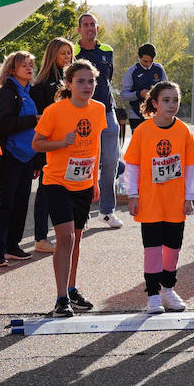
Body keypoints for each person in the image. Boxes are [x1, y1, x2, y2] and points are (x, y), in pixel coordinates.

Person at [32, 59, 106, 318]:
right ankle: (61, 298)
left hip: (84, 183)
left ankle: (72, 289)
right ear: (68, 84)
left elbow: (95, 145)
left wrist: (95, 180)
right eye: (81, 81)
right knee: (66, 238)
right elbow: (37, 144)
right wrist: (62, 143)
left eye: (91, 81)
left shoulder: (98, 109)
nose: (87, 86)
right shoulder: (55, 111)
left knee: (76, 241)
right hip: (57, 181)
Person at [124, 81, 194, 313]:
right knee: (153, 248)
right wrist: (132, 194)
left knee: (173, 247)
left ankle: (168, 288)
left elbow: (190, 167)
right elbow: (133, 165)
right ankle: (153, 295)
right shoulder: (143, 131)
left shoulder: (183, 130)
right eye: (166, 100)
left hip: (175, 201)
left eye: (175, 100)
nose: (172, 105)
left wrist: (189, 196)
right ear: (154, 103)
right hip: (150, 201)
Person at [0, 50, 39, 268]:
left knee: (20, 204)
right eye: (24, 65)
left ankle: (12, 245)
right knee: (5, 205)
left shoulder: (28, 91)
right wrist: (33, 120)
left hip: (27, 158)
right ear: (12, 69)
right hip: (9, 157)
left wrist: (37, 160)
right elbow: (3, 125)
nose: (29, 68)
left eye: (31, 65)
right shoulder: (6, 94)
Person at [75, 12, 122, 229]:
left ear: (97, 28)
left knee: (111, 162)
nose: (89, 28)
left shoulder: (107, 50)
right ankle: (81, 214)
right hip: (83, 114)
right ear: (79, 30)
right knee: (85, 162)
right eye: (85, 25)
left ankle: (106, 211)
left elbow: (107, 79)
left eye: (92, 24)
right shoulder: (73, 51)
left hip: (107, 111)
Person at [30, 36, 73, 255]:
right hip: (49, 146)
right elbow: (39, 122)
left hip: (67, 146)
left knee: (61, 191)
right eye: (63, 52)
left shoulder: (69, 82)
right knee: (45, 193)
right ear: (53, 54)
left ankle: (58, 234)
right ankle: (40, 237)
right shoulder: (41, 85)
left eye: (69, 53)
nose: (67, 56)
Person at [120, 43, 166, 133]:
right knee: (140, 145)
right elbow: (124, 95)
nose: (148, 64)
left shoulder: (159, 69)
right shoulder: (131, 71)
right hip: (136, 116)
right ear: (139, 58)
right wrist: (139, 94)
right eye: (145, 61)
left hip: (156, 115)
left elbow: (167, 89)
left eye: (151, 61)